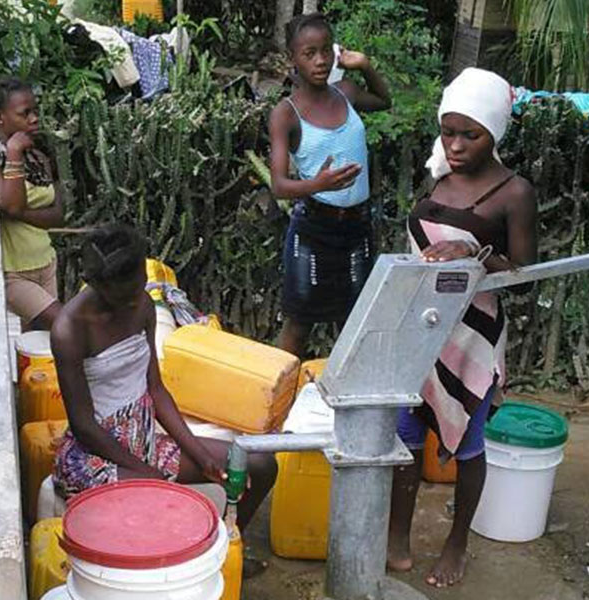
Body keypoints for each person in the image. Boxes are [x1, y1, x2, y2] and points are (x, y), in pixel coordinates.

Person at [387, 67, 537, 588]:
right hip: (419, 326)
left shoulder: (514, 193)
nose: (453, 144)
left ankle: (457, 543)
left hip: (471, 336)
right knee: (405, 436)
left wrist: (475, 254)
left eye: (468, 135)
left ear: (494, 132)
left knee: (469, 442)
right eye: (447, 131)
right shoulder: (440, 175)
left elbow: (524, 276)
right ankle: (398, 534)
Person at [51, 224, 277, 531]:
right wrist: (144, 472)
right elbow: (84, 426)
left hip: (144, 442)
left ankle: (228, 548)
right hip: (95, 456)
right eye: (124, 295)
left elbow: (156, 390)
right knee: (161, 503)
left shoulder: (142, 303)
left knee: (260, 465)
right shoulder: (70, 329)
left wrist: (201, 457)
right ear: (97, 284)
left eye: (139, 285)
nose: (135, 301)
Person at [268, 13, 391, 358]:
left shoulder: (346, 93)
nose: (320, 60)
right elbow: (278, 184)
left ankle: (345, 397)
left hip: (357, 226)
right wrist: (316, 183)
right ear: (293, 58)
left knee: (355, 318)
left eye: (325, 51)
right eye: (309, 53)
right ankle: (281, 398)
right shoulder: (286, 113)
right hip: (314, 227)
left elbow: (384, 101)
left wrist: (364, 65)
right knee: (300, 320)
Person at [0, 77, 64, 330]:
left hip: (46, 264)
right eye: (25, 113)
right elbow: (13, 205)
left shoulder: (38, 156)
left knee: (40, 349)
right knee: (65, 325)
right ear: (0, 116)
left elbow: (57, 215)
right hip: (13, 274)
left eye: (35, 111)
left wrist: (13, 211)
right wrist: (13, 153)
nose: (34, 118)